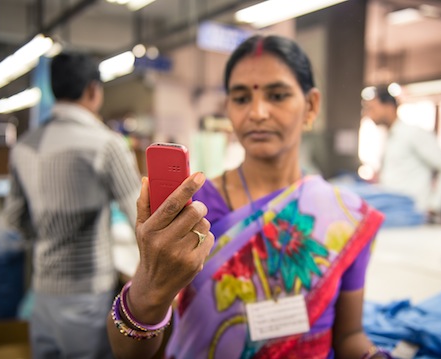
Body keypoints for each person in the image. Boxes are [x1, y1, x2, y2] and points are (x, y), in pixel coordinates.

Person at [107, 35, 390, 359]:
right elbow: (130, 352)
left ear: (311, 106)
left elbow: (350, 336)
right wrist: (148, 289)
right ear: (228, 109)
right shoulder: (196, 210)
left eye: (278, 95)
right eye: (241, 98)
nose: (257, 112)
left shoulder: (345, 216)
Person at [4, 52, 141, 358]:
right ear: (94, 90)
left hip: (41, 292)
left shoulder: (24, 146)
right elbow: (141, 218)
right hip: (88, 294)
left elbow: (14, 218)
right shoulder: (106, 144)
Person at [362, 87, 441, 222]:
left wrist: (434, 207)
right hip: (396, 216)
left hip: (416, 215)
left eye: (372, 108)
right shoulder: (390, 137)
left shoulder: (412, 133)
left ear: (389, 106)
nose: (368, 114)